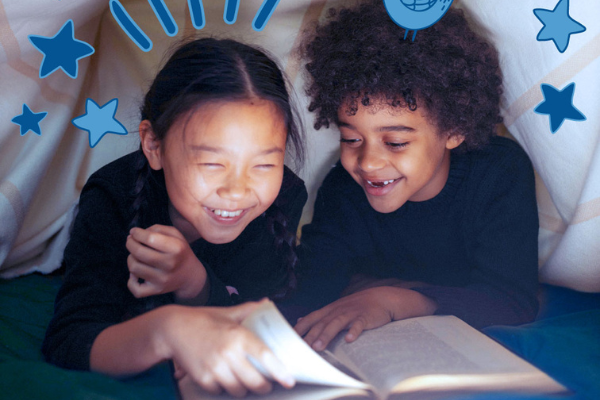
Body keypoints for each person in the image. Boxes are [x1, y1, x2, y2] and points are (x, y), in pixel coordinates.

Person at [42, 37, 308, 397]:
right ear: (153, 145)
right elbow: (70, 341)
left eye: (263, 164)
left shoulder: (282, 198)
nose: (238, 190)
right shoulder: (111, 196)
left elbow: (261, 314)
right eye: (213, 164)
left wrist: (194, 283)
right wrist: (166, 330)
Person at [294, 0, 539, 352]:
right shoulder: (342, 190)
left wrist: (392, 300)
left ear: (454, 129)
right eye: (351, 139)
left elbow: (510, 301)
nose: (368, 163)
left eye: (395, 142)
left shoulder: (498, 173)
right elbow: (310, 292)